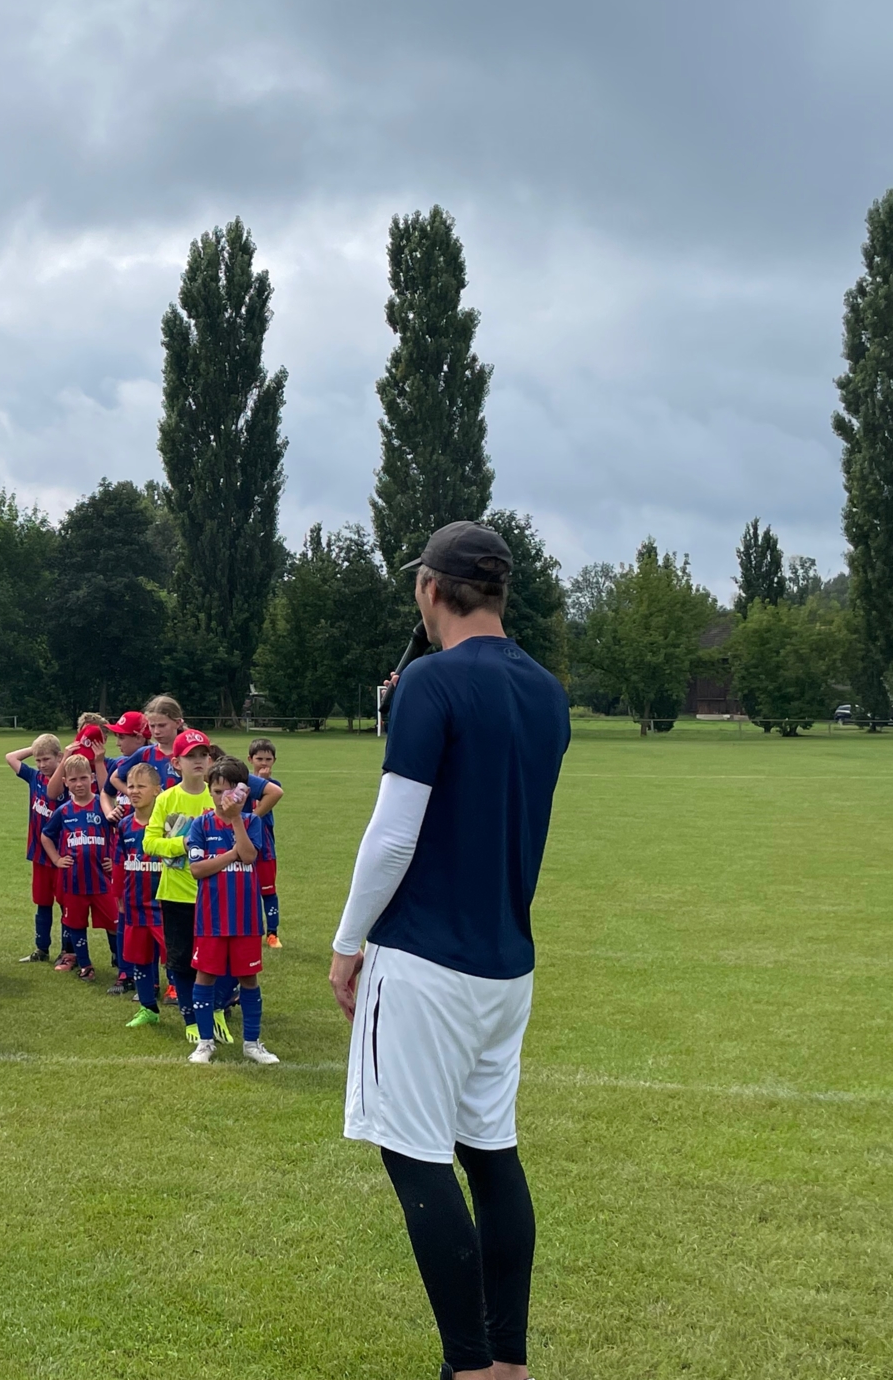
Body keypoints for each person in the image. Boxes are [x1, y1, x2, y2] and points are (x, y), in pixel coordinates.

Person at [329, 520, 569, 1380]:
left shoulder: (431, 682)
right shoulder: (547, 692)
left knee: (417, 1156)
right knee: (491, 1154)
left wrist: (347, 942)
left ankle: (468, 1366)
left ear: (432, 591)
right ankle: (508, 1361)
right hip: (507, 964)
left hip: (426, 961)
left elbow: (394, 837)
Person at [184, 756, 278, 1065]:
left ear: (241, 793)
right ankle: (205, 1043)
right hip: (211, 919)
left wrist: (236, 819)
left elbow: (250, 856)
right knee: (205, 976)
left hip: (246, 919)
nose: (221, 798)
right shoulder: (200, 824)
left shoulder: (251, 821)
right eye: (215, 791)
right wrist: (230, 855)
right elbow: (198, 869)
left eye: (227, 791)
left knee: (248, 978)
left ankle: (252, 1043)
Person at [140, 729, 218, 1042]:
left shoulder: (218, 795)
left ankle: (214, 1011)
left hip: (214, 893)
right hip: (175, 894)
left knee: (214, 959)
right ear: (176, 762)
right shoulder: (166, 799)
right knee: (182, 961)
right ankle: (190, 1018)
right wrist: (182, 844)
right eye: (191, 756)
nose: (198, 761)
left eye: (203, 755)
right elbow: (149, 842)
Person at [38, 753, 117, 981]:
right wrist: (56, 859)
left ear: (92, 778)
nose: (79, 784)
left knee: (114, 922)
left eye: (83, 778)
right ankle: (85, 965)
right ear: (65, 782)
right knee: (76, 924)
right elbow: (46, 836)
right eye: (72, 780)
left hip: (102, 880)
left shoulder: (102, 806)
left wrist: (114, 859)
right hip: (74, 881)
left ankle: (119, 959)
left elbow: (119, 833)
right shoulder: (63, 811)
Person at [5, 733, 65, 963]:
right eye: (38, 760)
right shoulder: (34, 777)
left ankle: (67, 952)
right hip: (39, 855)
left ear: (59, 757)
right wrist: (35, 748)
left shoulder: (66, 780)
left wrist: (61, 759)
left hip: (62, 855)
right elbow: (10, 757)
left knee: (66, 905)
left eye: (46, 759)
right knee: (42, 902)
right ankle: (42, 949)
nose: (41, 765)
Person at [117, 762, 168, 1028]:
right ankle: (148, 1007)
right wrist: (119, 896)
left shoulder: (168, 824)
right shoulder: (125, 825)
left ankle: (191, 1008)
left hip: (163, 906)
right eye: (131, 786)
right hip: (134, 905)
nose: (134, 791)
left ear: (158, 791)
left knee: (174, 960)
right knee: (139, 960)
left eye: (141, 786)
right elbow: (119, 862)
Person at [247, 738, 285, 946]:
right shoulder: (242, 785)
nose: (263, 763)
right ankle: (251, 931)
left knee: (268, 890)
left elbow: (263, 807)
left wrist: (265, 781)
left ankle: (272, 933)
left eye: (268, 759)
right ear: (250, 759)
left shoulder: (274, 786)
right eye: (259, 759)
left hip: (265, 848)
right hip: (245, 845)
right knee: (246, 891)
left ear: (274, 761)